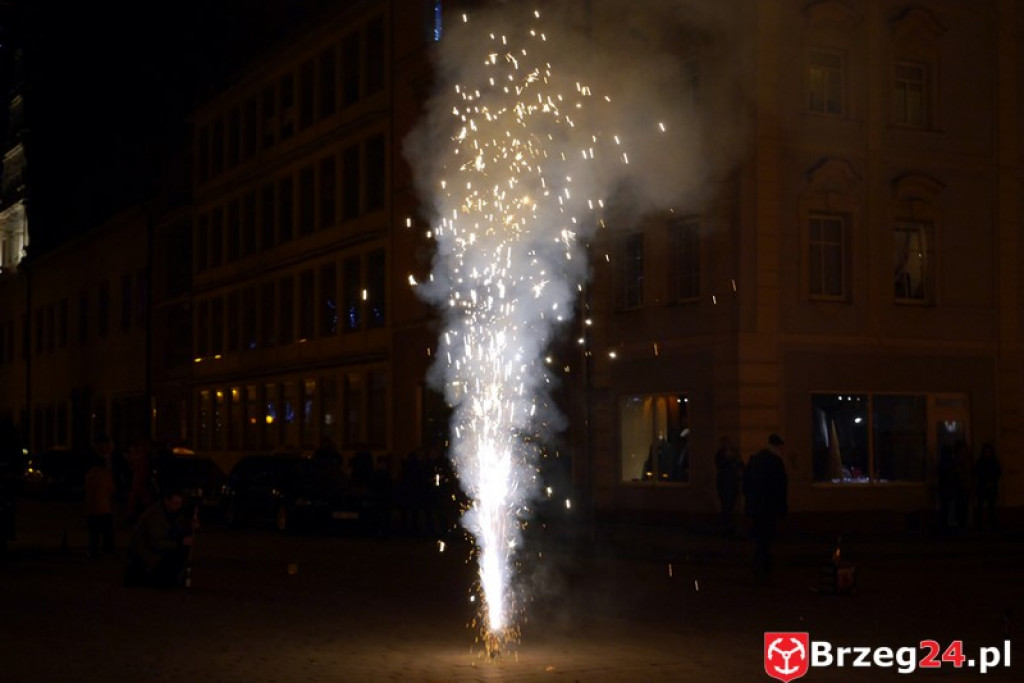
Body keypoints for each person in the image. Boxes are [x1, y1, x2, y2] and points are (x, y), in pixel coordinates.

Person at [124, 485, 198, 588]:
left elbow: (176, 528)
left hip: (154, 553)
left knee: (181, 549)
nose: (178, 506)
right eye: (175, 503)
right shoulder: (155, 515)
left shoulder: (171, 512)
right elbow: (156, 543)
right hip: (144, 556)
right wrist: (179, 542)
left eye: (180, 503)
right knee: (177, 551)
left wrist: (189, 526)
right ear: (167, 501)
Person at [743, 434, 788, 576]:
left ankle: (759, 563)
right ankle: (763, 564)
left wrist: (749, 501)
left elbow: (746, 483)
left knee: (759, 536)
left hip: (756, 506)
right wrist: (782, 509)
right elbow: (781, 487)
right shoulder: (776, 462)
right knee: (766, 537)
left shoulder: (755, 460)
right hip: (769, 507)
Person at [84, 448, 117, 558]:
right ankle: (108, 550)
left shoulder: (89, 474)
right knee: (107, 532)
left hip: (91, 508)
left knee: (93, 533)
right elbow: (112, 489)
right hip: (104, 508)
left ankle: (92, 550)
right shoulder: (105, 474)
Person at [714, 435, 743, 536]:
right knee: (726, 505)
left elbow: (740, 464)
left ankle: (729, 525)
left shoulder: (734, 454)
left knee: (731, 505)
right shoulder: (720, 455)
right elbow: (721, 465)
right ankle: (726, 525)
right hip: (724, 483)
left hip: (733, 482)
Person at [974, 443, 1001, 531]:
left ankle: (992, 523)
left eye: (989, 451)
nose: (987, 453)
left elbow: (998, 473)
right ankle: (980, 524)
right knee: (980, 506)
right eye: (986, 451)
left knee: (991, 506)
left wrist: (992, 481)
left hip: (991, 487)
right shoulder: (981, 461)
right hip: (982, 486)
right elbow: (977, 473)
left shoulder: (994, 461)